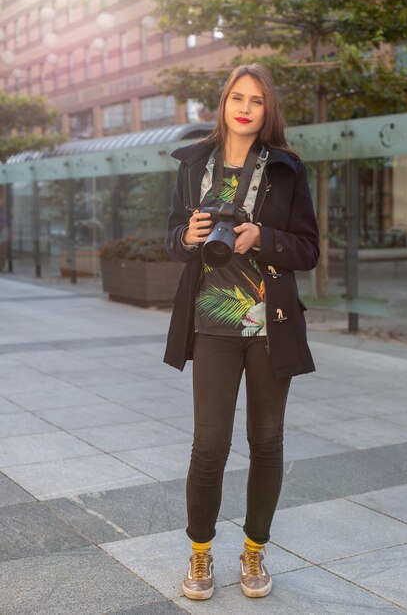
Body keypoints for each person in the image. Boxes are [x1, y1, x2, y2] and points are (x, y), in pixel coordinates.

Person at [164, 63, 319, 600]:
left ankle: (254, 554)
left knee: (267, 441)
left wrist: (264, 237)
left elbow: (309, 249)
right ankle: (200, 556)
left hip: (269, 326)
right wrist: (187, 234)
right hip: (210, 325)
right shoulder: (193, 163)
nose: (246, 107)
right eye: (237, 96)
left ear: (267, 108)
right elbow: (170, 240)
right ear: (223, 103)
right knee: (209, 445)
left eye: (257, 99)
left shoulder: (286, 170)